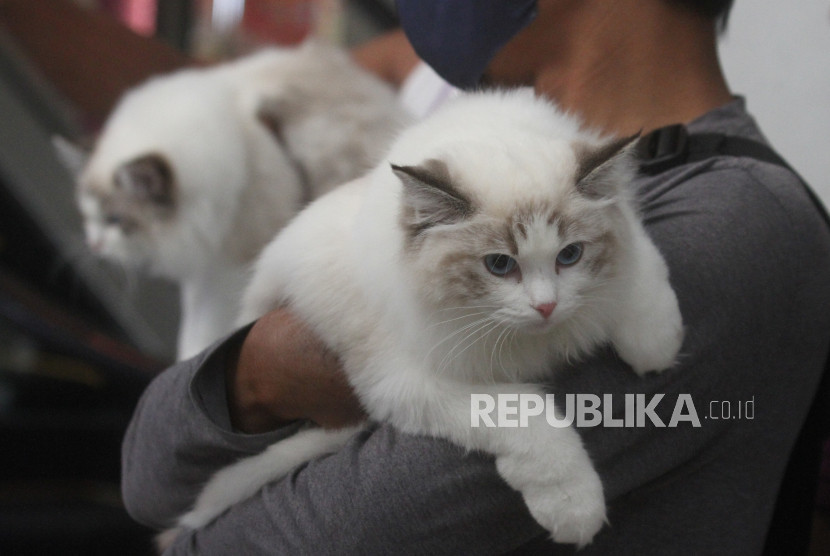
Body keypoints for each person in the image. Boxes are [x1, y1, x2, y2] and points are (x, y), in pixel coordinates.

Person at [121, 1, 830, 553]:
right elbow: (145, 477)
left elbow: (337, 535)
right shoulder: (462, 157)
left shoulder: (730, 230)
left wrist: (268, 383)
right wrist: (256, 370)